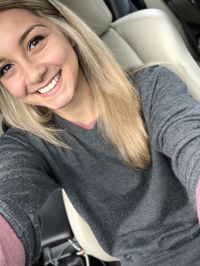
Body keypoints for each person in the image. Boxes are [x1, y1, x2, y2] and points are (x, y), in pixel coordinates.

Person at [0, 0, 200, 265]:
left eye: (35, 42)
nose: (34, 74)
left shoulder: (152, 87)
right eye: (6, 68)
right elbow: (10, 201)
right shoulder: (27, 145)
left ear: (67, 32)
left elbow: (191, 144)